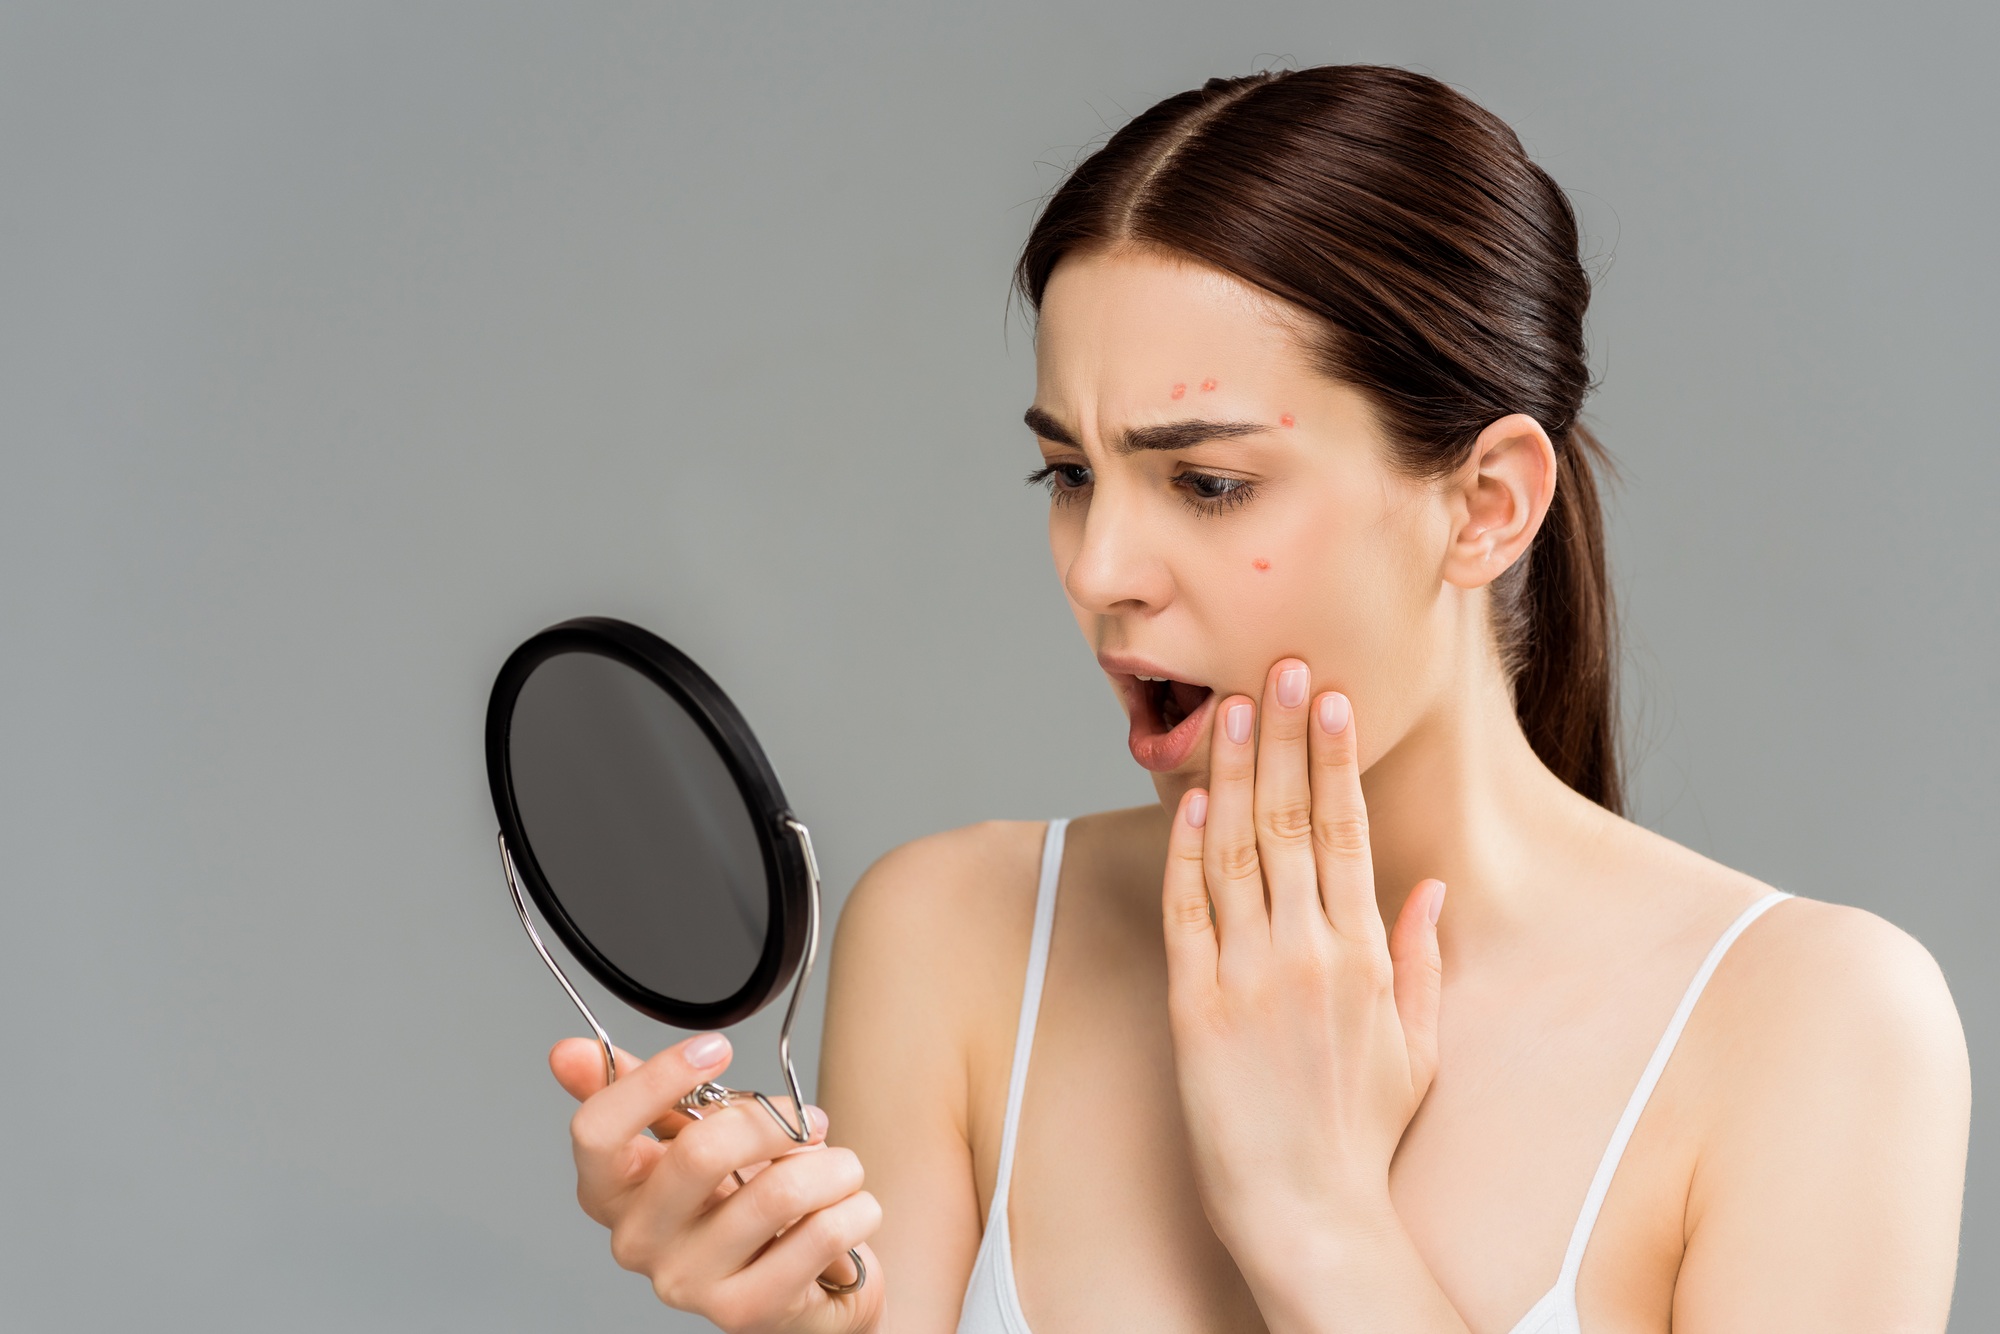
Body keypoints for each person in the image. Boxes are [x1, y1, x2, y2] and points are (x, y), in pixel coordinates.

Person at [545, 65, 1970, 1333]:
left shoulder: (1817, 1031)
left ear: (1485, 506)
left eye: (1208, 483)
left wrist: (1314, 1213)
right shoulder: (956, 937)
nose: (1100, 570)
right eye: (1071, 472)